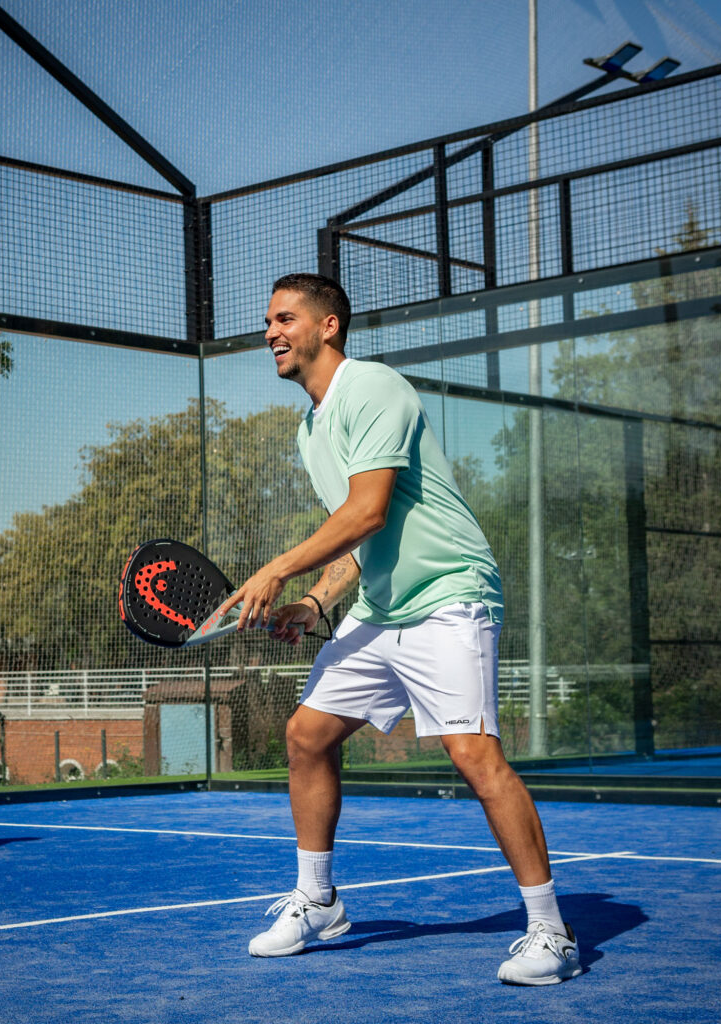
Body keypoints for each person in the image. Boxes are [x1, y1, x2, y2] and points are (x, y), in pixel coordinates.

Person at [220, 272, 581, 985]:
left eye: (284, 318)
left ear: (327, 326)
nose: (270, 333)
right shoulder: (311, 427)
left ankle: (552, 934)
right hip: (384, 610)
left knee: (472, 752)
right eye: (268, 321)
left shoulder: (373, 386)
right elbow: (358, 545)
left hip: (448, 594)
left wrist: (276, 571)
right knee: (305, 735)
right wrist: (317, 603)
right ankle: (318, 900)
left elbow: (369, 511)